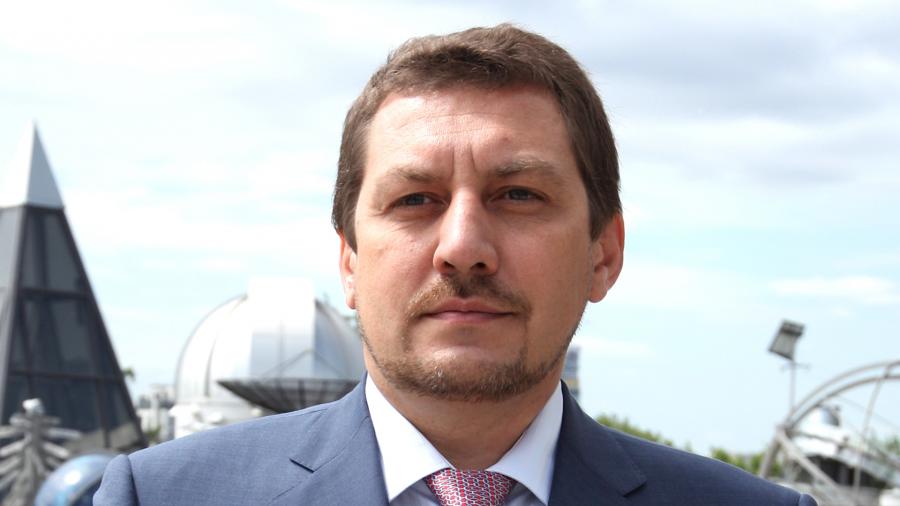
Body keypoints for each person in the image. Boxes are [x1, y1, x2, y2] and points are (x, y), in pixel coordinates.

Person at [95, 24, 817, 505]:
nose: (463, 246)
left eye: (519, 194)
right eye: (415, 200)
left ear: (604, 253)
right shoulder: (160, 498)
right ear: (349, 261)